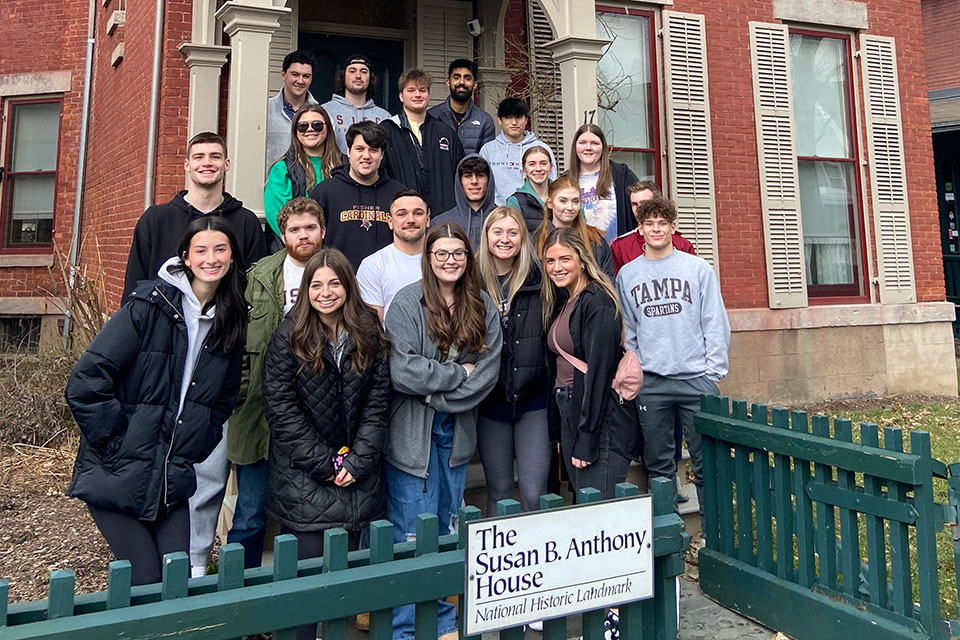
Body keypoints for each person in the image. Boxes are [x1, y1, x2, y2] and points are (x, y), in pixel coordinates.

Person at [65, 216, 248, 586]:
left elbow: (225, 398)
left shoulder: (231, 320)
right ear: (186, 256)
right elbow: (86, 381)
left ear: (232, 258)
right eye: (201, 250)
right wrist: (116, 442)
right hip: (116, 474)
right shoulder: (149, 306)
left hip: (171, 478)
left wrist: (195, 445)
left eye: (220, 249)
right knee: (147, 582)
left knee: (175, 580)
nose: (210, 258)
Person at [263, 248, 391, 640]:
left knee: (339, 592)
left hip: (356, 479)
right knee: (304, 592)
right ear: (305, 290)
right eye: (316, 285)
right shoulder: (289, 335)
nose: (325, 292)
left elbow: (378, 403)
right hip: (305, 481)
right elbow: (281, 410)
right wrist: (328, 464)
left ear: (347, 286)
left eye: (334, 283)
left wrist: (358, 461)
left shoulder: (368, 333)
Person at [384, 222, 502, 640]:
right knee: (411, 532)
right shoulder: (405, 303)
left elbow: (484, 376)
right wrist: (454, 373)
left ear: (468, 259)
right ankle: (404, 629)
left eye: (458, 253)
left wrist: (436, 394)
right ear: (428, 258)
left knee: (447, 527)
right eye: (441, 254)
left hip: (455, 433)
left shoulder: (482, 305)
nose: (450, 261)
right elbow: (401, 369)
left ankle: (444, 625)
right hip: (410, 436)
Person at [226, 197, 326, 569]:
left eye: (310, 228)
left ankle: (290, 602)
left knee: (300, 514)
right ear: (282, 234)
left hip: (316, 415)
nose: (303, 235)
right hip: (259, 413)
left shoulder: (337, 274)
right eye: (295, 229)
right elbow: (239, 344)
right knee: (250, 511)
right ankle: (240, 603)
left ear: (323, 231)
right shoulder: (259, 277)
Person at [616, 195, 730, 514]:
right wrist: (636, 368)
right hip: (652, 383)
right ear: (640, 230)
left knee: (707, 464)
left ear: (673, 227)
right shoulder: (628, 275)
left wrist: (713, 373)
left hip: (696, 379)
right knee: (659, 467)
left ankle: (710, 537)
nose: (655, 229)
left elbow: (714, 321)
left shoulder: (697, 269)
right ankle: (672, 538)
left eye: (662, 223)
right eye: (649, 224)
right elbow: (630, 330)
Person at [541, 227, 640, 501]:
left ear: (582, 259)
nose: (556, 267)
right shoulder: (567, 300)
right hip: (571, 410)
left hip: (599, 417)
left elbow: (598, 372)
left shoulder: (598, 301)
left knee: (599, 506)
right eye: (550, 261)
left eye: (564, 259)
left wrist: (586, 435)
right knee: (585, 505)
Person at [123, 131, 266, 302]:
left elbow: (255, 289)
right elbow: (135, 284)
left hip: (227, 324)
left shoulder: (246, 222)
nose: (207, 163)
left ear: (226, 164)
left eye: (215, 156)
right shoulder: (156, 220)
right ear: (187, 165)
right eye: (199, 157)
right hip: (163, 324)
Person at [476, 207, 549, 514]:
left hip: (534, 399)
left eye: (512, 232)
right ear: (487, 236)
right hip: (490, 401)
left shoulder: (540, 277)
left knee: (534, 495)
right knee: (500, 494)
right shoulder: (471, 279)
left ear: (522, 239)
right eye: (498, 232)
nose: (504, 239)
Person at [309, 121, 406, 270]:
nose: (366, 156)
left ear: (382, 155)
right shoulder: (324, 193)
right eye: (359, 149)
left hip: (386, 279)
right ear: (349, 152)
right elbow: (312, 241)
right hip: (337, 279)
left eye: (373, 150)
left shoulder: (399, 195)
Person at [382, 68, 464, 216]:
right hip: (403, 217)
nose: (418, 95)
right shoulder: (387, 131)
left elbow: (460, 177)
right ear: (401, 96)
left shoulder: (446, 133)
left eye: (422, 90)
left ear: (428, 94)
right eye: (411, 90)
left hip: (443, 217)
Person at [264, 104, 342, 248]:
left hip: (338, 248)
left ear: (328, 128)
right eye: (303, 126)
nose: (310, 129)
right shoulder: (282, 169)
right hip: (299, 249)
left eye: (317, 125)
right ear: (295, 131)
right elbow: (279, 219)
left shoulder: (345, 165)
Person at [357, 189, 430, 321]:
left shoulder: (444, 261)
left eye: (418, 213)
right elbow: (374, 325)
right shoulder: (373, 265)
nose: (411, 220)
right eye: (402, 214)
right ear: (390, 221)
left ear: (428, 219)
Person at [567, 123, 640, 245]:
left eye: (594, 143)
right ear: (575, 147)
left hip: (618, 256)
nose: (588, 147)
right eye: (582, 142)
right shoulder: (566, 180)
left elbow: (644, 209)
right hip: (578, 254)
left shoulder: (622, 175)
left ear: (603, 147)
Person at [479, 97, 557, 206]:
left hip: (535, 211)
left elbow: (552, 183)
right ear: (500, 120)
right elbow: (482, 185)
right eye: (508, 117)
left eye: (519, 117)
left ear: (526, 120)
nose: (514, 122)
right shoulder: (488, 150)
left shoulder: (541, 148)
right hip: (498, 213)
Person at [534, 175, 614, 279]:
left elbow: (608, 279)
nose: (570, 207)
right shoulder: (536, 240)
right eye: (563, 201)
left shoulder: (594, 238)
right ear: (550, 203)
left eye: (575, 201)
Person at [610, 181, 697, 274]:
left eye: (644, 203)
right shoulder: (620, 247)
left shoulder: (682, 245)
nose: (639, 208)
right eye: (634, 204)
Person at [321, 53, 392, 154]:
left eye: (364, 72)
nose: (358, 76)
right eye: (352, 71)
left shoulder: (384, 117)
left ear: (370, 78)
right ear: (343, 76)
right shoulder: (324, 112)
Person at [427, 58, 496, 155]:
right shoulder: (431, 117)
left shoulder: (485, 121)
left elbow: (485, 161)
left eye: (467, 78)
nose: (462, 82)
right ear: (448, 83)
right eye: (456, 77)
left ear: (475, 85)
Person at [267, 50, 319, 169]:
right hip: (273, 185)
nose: (300, 81)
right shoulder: (265, 110)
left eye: (306, 76)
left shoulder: (322, 115)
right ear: (283, 75)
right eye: (295, 74)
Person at [433, 154, 497, 249]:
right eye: (467, 176)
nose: (474, 181)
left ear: (489, 180)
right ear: (459, 181)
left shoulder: (504, 220)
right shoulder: (440, 223)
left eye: (480, 175)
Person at [505, 145, 552, 234]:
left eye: (543, 163)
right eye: (532, 164)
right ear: (524, 169)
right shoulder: (515, 201)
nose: (538, 169)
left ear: (551, 167)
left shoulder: (562, 194)